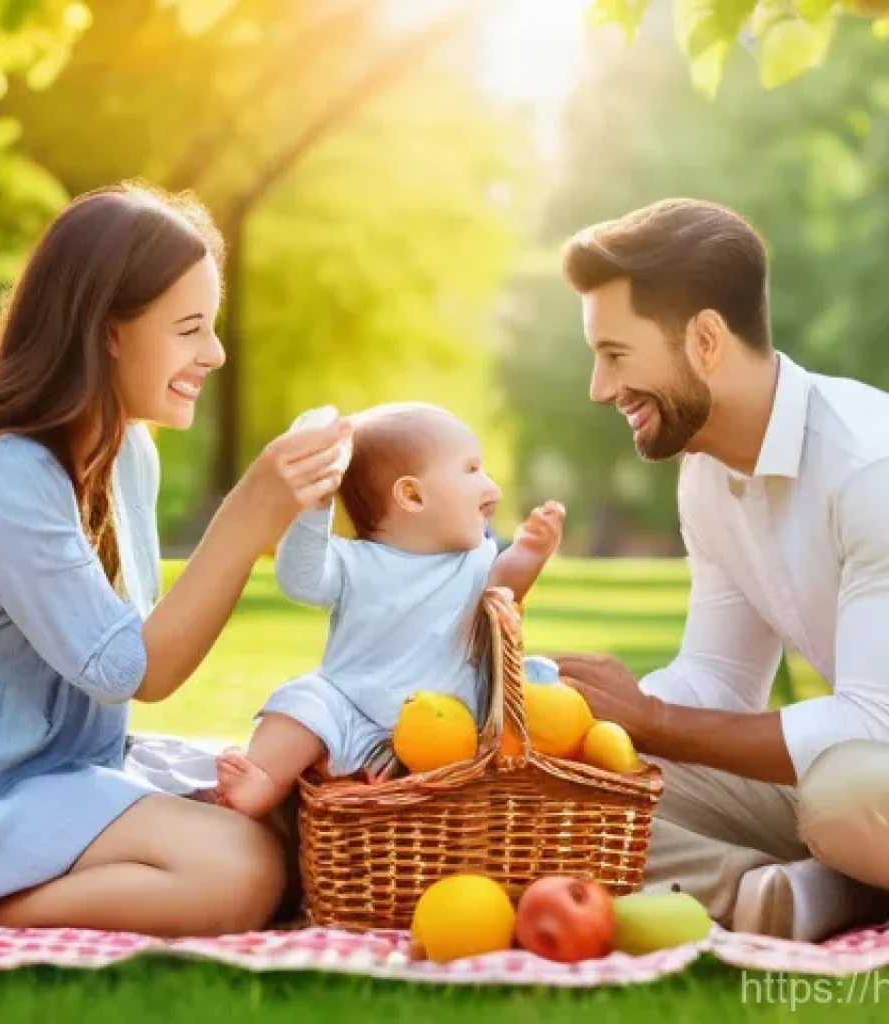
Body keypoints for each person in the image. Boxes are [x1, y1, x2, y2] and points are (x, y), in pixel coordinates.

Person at [0, 182, 354, 938]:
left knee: (284, 819)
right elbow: (136, 670)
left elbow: (139, 645)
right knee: (243, 871)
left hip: (59, 760)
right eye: (190, 328)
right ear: (107, 333)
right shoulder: (10, 474)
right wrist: (249, 514)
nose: (215, 353)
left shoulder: (128, 452)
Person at [552, 197, 889, 943]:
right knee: (587, 796)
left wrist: (656, 721)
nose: (601, 390)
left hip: (867, 777)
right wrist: (588, 725)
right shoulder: (706, 473)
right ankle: (774, 893)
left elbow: (873, 722)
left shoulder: (869, 467)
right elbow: (719, 679)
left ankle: (848, 892)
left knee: (839, 793)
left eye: (615, 355)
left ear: (705, 339)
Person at [216, 401, 566, 817]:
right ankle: (265, 779)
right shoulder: (354, 563)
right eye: (472, 470)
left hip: (447, 729)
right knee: (301, 704)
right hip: (351, 709)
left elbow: (505, 589)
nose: (492, 488)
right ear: (413, 495)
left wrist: (531, 551)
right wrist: (313, 510)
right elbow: (301, 580)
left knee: (532, 695)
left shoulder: (475, 561)